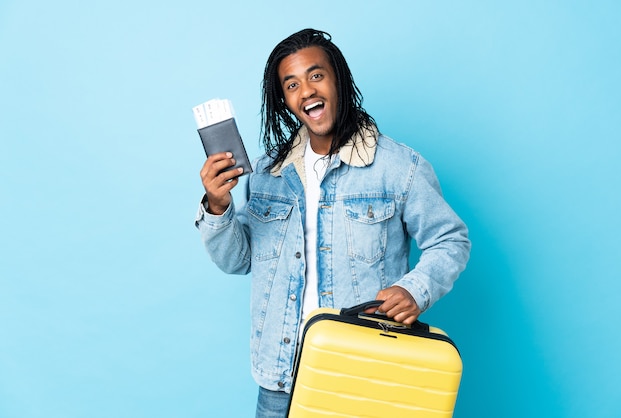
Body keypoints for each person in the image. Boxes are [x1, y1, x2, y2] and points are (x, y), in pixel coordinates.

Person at [195, 28, 471, 418]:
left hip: (365, 375)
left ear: (338, 79)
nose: (306, 90)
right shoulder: (266, 173)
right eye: (292, 84)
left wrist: (415, 289)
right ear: (285, 101)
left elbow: (451, 240)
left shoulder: (398, 168)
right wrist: (218, 205)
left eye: (316, 75)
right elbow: (237, 261)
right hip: (281, 381)